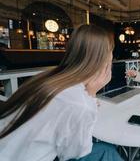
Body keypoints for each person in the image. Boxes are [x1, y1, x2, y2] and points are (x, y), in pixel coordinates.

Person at [0, 24, 123, 161]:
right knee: (107, 152)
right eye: (111, 51)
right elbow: (75, 153)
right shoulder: (78, 102)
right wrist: (91, 94)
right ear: (104, 58)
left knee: (107, 150)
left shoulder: (47, 79)